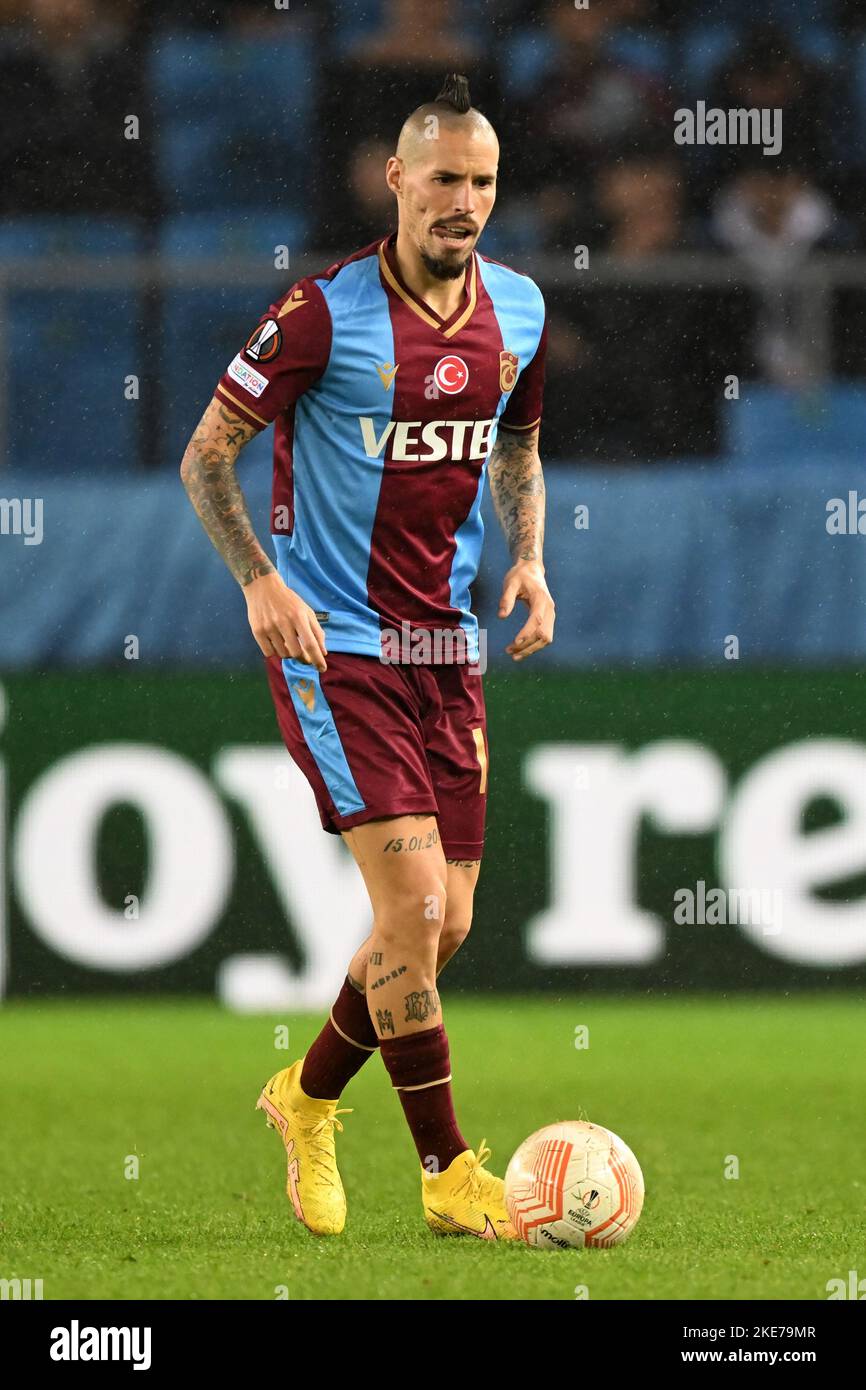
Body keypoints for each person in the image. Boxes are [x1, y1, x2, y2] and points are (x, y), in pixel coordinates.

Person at [180, 74, 554, 1239]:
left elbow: (518, 450)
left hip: (447, 654)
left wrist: (529, 562)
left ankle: (302, 1096)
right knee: (412, 903)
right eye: (443, 178)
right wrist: (260, 584)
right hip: (335, 649)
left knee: (441, 932)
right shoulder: (318, 315)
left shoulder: (522, 313)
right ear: (395, 179)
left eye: (482, 182)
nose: (465, 202)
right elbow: (206, 457)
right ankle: (447, 1176)